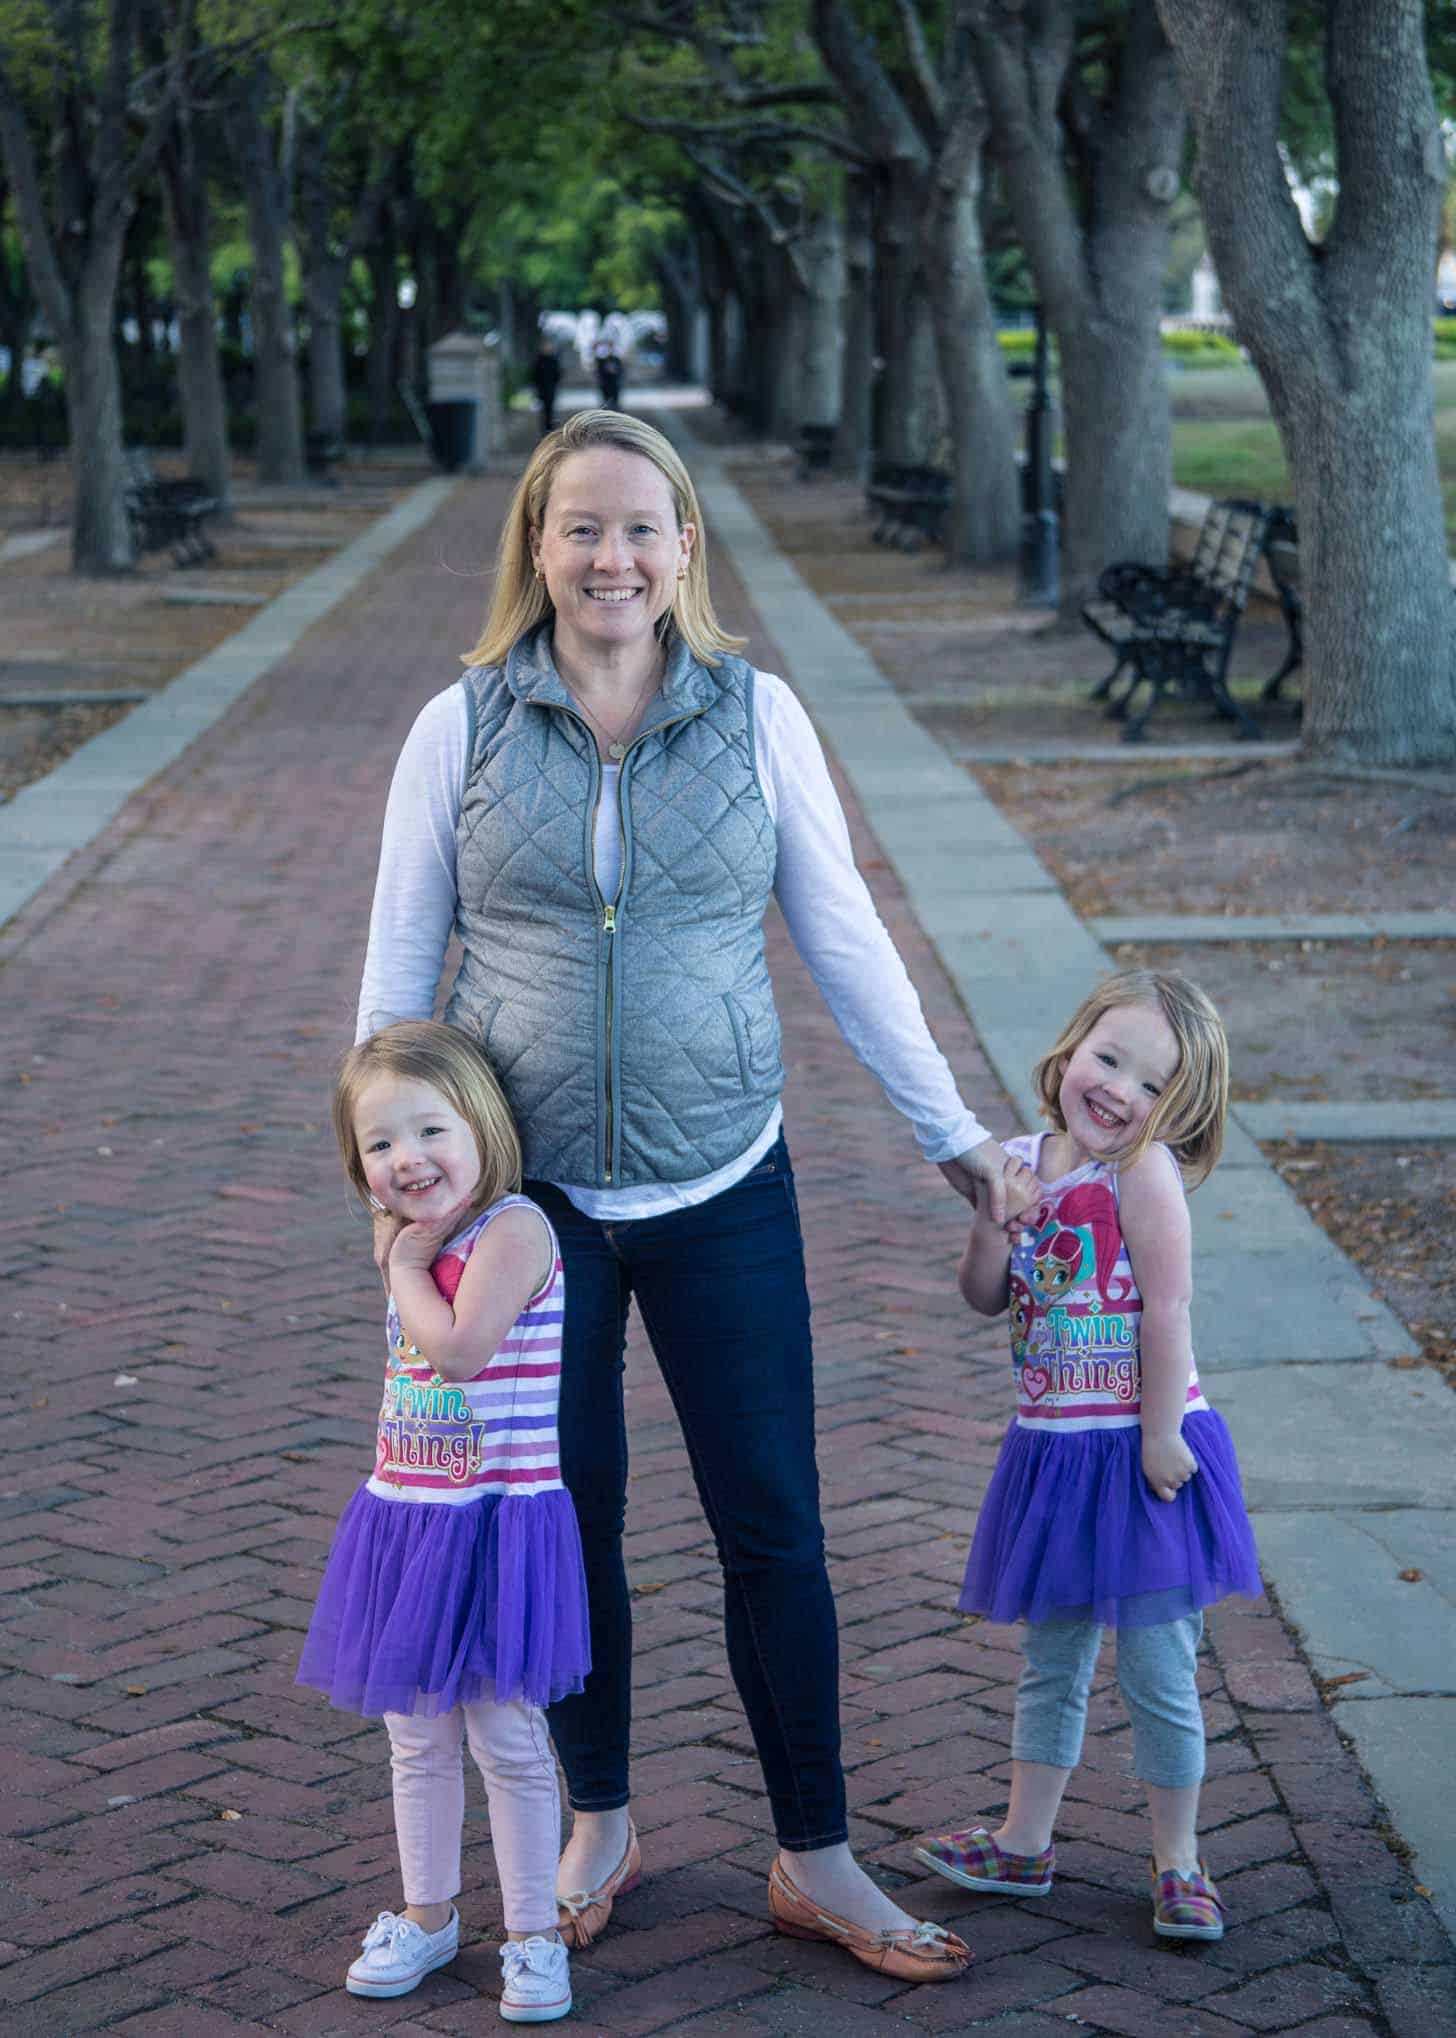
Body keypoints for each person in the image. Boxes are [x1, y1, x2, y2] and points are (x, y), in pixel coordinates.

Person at [355, 407, 1024, 1984]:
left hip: (727, 1178)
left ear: (685, 548)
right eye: (582, 526)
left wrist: (953, 1137)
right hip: (529, 1215)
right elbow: (398, 974)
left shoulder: (758, 714)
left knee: (773, 1525)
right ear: (537, 544)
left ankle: (819, 1852)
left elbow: (847, 938)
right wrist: (391, 1188)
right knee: (560, 1522)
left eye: (641, 527)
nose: (612, 555)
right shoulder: (457, 726)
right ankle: (596, 1818)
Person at [915, 970, 1261, 1944]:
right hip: (1055, 1453)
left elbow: (1168, 1309)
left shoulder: (1138, 1174)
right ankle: (1024, 1841)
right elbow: (983, 1295)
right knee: (1052, 1657)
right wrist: (997, 1209)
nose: (1120, 1091)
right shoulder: (1019, 1160)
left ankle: (1180, 1860)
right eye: (1109, 1059)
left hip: (1139, 1450)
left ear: (1178, 1110)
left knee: (1157, 1665)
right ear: (1069, 1051)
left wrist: (1160, 1433)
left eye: (1153, 1085)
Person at [297, 1021, 590, 2021]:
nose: (407, 1158)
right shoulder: (413, 1238)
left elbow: (460, 1354)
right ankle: (427, 1913)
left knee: (506, 1736)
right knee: (414, 1732)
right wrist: (406, 1261)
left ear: (483, 1127)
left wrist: (406, 1271)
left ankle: (532, 1932)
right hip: (410, 1515)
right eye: (379, 1144)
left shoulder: (511, 1229)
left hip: (497, 1521)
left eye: (431, 1129)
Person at [531, 339, 562, 436]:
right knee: (544, 410)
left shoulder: (553, 360)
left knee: (550, 409)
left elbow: (558, 373)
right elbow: (534, 375)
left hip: (551, 388)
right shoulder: (539, 360)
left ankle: (550, 427)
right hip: (542, 388)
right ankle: (545, 428)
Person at [594, 344, 623, 408]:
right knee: (605, 399)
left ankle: (615, 408)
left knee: (615, 401)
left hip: (614, 384)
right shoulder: (602, 360)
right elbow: (599, 371)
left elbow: (620, 371)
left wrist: (615, 371)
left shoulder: (616, 359)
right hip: (605, 383)